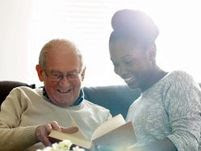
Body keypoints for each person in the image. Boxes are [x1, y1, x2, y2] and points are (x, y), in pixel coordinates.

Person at [103, 9, 201, 151]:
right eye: (116, 64)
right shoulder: (134, 107)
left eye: (128, 61)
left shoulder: (177, 80)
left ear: (151, 52)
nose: (121, 71)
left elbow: (188, 139)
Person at [0, 39, 111, 151]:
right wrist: (36, 133)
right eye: (56, 75)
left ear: (82, 74)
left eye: (72, 75)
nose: (64, 84)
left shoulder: (103, 117)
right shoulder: (22, 96)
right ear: (41, 73)